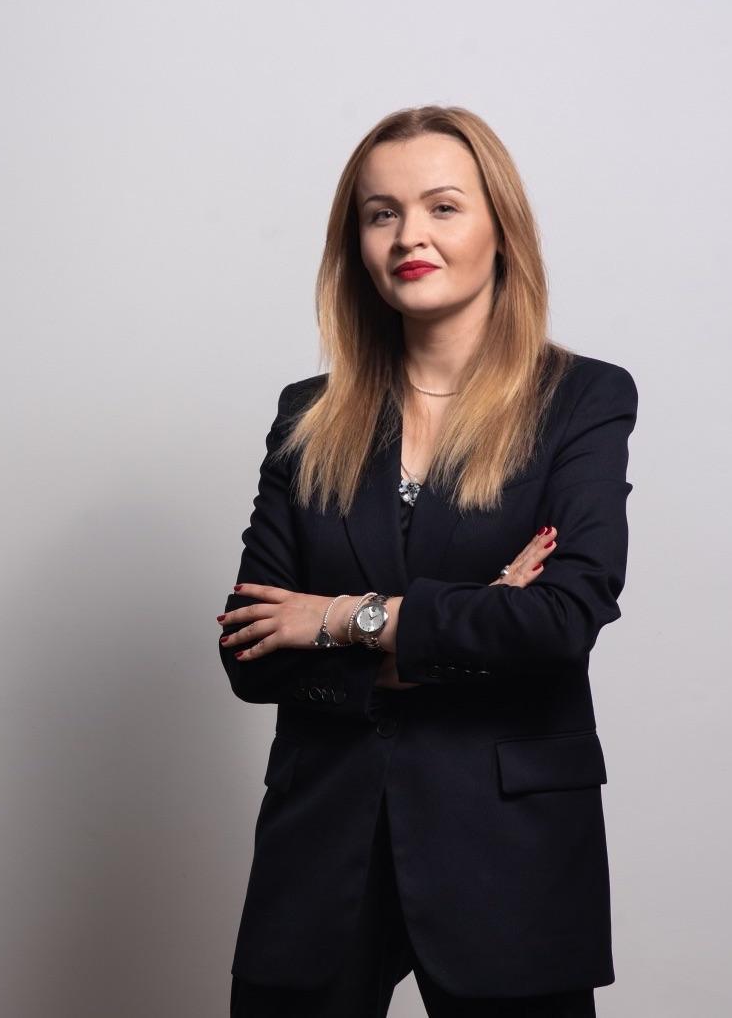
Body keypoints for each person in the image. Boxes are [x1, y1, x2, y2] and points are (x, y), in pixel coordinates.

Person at [215, 105, 638, 1017]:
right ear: (357, 245)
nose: (410, 235)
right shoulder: (306, 416)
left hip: (509, 852)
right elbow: (250, 652)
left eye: (443, 206)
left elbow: (560, 620)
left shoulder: (582, 401)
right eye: (382, 214)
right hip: (320, 851)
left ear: (500, 227)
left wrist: (340, 618)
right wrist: (468, 623)